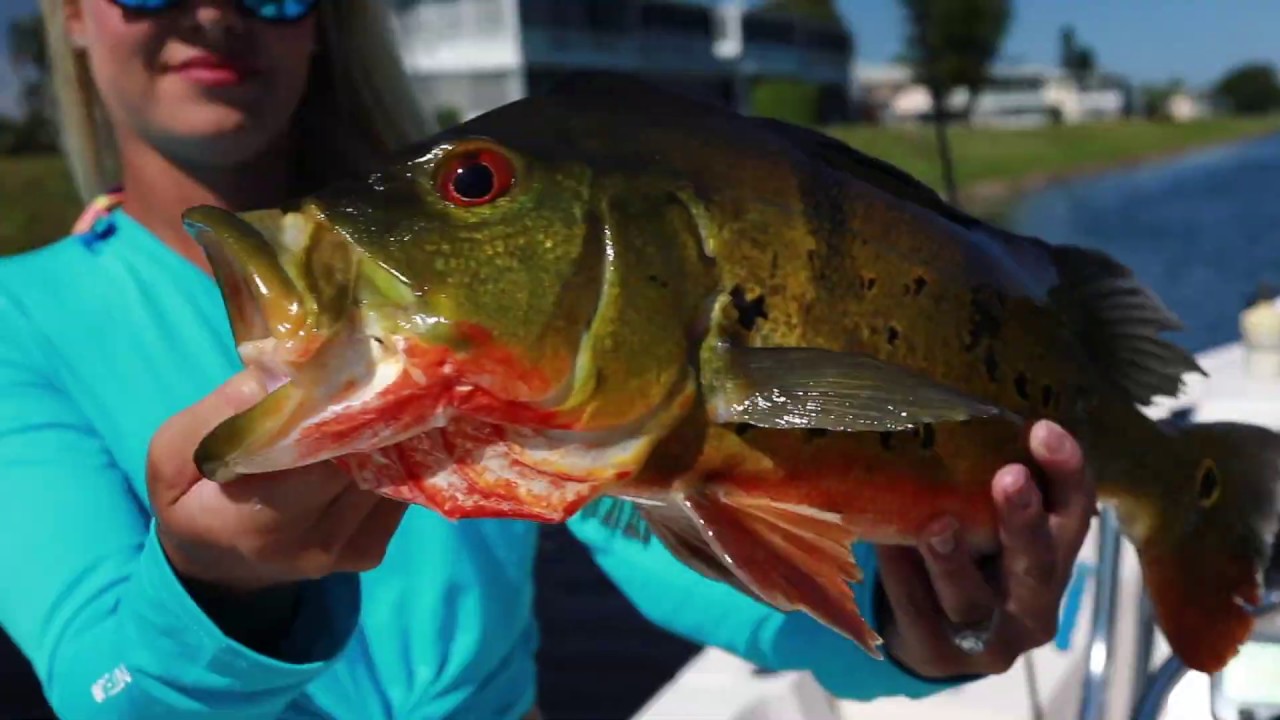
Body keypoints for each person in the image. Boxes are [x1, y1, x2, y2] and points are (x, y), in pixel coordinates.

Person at [0, 1, 1097, 718]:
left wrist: (923, 625)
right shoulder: (16, 323)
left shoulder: (500, 294)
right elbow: (101, 689)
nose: (213, 10)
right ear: (70, 16)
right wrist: (217, 594)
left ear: (323, 25)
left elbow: (686, 543)